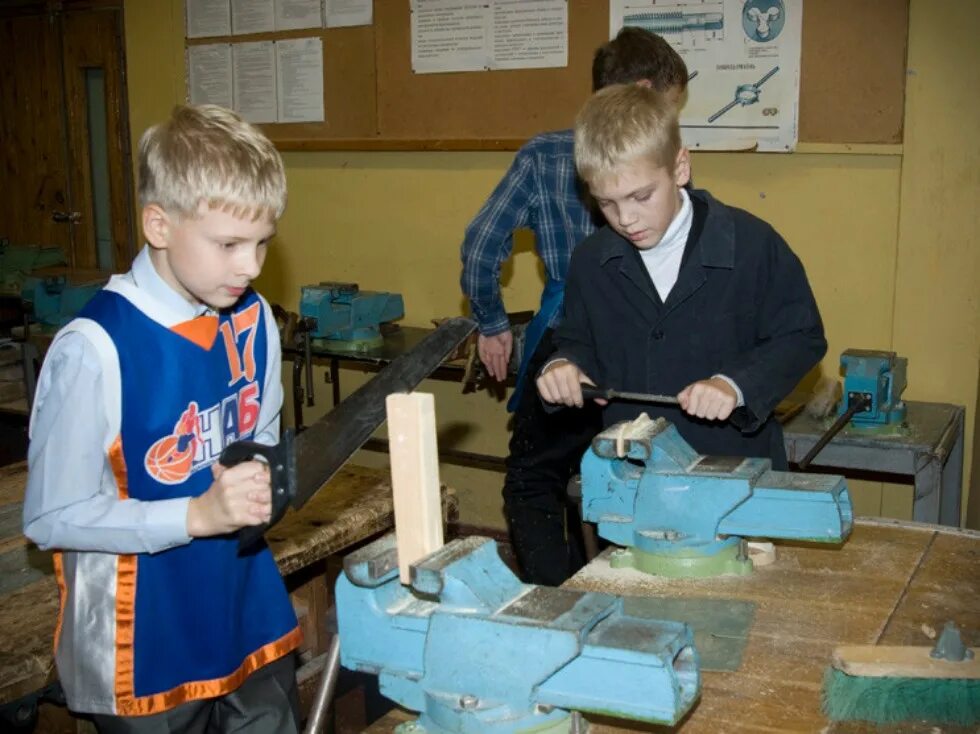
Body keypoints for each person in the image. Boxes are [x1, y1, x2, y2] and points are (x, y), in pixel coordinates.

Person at [23, 105, 301, 733]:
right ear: (160, 225)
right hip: (141, 639)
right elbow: (49, 517)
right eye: (229, 244)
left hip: (244, 605)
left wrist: (264, 478)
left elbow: (261, 435)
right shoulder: (94, 348)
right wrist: (194, 516)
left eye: (262, 242)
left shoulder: (253, 319)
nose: (251, 266)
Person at [460, 28, 690, 586]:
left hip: (567, 344)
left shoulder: (544, 154)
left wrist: (492, 324)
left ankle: (554, 603)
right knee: (632, 475)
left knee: (535, 478)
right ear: (642, 90)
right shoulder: (660, 174)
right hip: (644, 348)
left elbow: (481, 244)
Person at [537, 83, 826, 467]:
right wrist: (564, 366)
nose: (625, 219)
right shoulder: (591, 261)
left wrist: (735, 385)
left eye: (641, 197)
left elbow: (800, 336)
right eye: (606, 202)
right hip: (632, 474)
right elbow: (578, 339)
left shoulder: (752, 245)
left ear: (680, 167)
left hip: (734, 470)